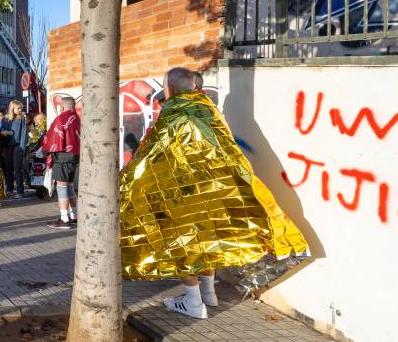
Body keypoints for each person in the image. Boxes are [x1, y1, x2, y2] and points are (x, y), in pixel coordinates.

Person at [120, 67, 308, 319]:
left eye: (165, 85)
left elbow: (154, 154)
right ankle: (209, 293)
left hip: (184, 191)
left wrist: (128, 179)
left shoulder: (175, 111)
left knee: (184, 243)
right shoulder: (208, 109)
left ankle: (193, 301)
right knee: (207, 239)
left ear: (171, 88)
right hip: (215, 189)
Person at [42, 96, 81, 229]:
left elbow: (51, 138)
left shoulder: (61, 119)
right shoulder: (77, 119)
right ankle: (74, 216)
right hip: (74, 156)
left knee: (62, 187)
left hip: (62, 156)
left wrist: (43, 151)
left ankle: (64, 219)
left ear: (62, 107)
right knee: (69, 186)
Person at [3, 101, 31, 198]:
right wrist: (3, 132)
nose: (20, 110)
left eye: (21, 108)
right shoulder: (5, 118)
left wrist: (22, 147)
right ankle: (9, 189)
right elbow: (0, 129)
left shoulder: (22, 118)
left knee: (18, 169)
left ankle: (20, 191)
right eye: (18, 108)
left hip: (17, 146)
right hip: (7, 146)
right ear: (12, 108)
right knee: (8, 168)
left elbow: (24, 133)